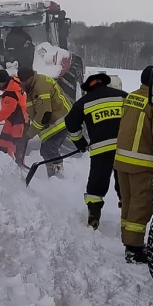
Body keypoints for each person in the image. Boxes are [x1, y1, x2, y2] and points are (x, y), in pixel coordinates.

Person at [114, 65, 153, 263]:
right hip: (141, 163)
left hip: (121, 160)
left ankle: (128, 242)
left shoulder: (131, 97)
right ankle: (134, 249)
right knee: (141, 205)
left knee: (128, 204)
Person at [64, 72, 127, 229]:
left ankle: (94, 214)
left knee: (97, 183)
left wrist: (80, 143)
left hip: (101, 150)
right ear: (106, 84)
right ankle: (127, 213)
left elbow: (71, 123)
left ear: (88, 88)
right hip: (124, 148)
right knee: (125, 181)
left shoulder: (83, 102)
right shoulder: (122, 96)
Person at [18, 65, 72, 176]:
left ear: (30, 78)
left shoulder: (40, 87)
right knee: (47, 150)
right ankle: (54, 176)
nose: (22, 84)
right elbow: (34, 110)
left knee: (49, 149)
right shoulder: (32, 87)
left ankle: (57, 177)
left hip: (61, 121)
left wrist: (30, 134)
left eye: (24, 82)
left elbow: (44, 114)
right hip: (53, 122)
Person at [0, 69, 28, 164]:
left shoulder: (10, 95)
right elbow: (6, 87)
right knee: (4, 143)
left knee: (17, 146)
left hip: (19, 123)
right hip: (13, 120)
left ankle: (19, 166)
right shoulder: (15, 82)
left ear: (3, 82)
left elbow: (5, 112)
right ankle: (6, 163)